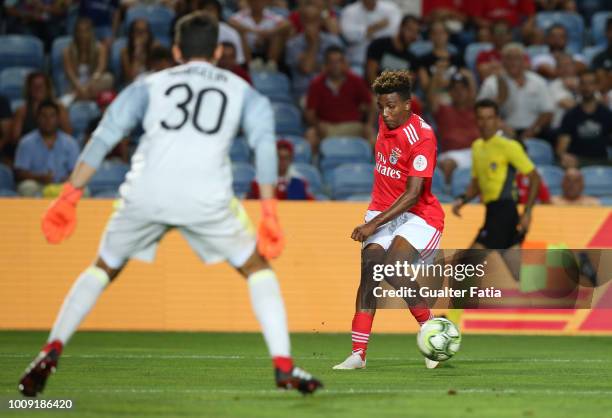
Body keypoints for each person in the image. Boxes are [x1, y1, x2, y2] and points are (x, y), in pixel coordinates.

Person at [18, 13, 322, 397]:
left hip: (146, 189)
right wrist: (268, 211)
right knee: (257, 269)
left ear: (177, 51)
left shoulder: (150, 83)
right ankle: (282, 364)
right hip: (206, 196)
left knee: (103, 267)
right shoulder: (244, 91)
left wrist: (70, 194)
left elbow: (104, 135)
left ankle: (51, 349)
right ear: (217, 51)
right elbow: (264, 146)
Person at [332, 70, 445, 371]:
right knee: (370, 272)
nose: (385, 113)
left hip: (419, 215)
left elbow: (412, 194)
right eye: (381, 106)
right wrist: (375, 219)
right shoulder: (385, 120)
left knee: (392, 268)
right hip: (382, 210)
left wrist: (371, 225)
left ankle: (429, 327)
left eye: (392, 106)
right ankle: (358, 354)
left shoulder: (422, 137)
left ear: (409, 104)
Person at [452, 99, 541, 250]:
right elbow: (477, 183)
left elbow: (535, 177)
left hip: (504, 209)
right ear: (476, 120)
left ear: (498, 120)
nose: (485, 123)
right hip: (492, 210)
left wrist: (527, 211)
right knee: (510, 266)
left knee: (467, 264)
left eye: (490, 118)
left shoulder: (508, 146)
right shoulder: (477, 147)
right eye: (481, 118)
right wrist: (463, 199)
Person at [477, 43, 554, 141]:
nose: (513, 62)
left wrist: (532, 131)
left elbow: (548, 111)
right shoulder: (491, 82)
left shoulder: (538, 81)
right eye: (509, 58)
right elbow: (481, 110)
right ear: (502, 61)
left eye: (517, 58)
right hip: (503, 131)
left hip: (534, 130)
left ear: (524, 61)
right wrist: (500, 125)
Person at [305, 46, 375, 150]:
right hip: (328, 128)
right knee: (310, 135)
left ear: (344, 63)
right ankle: (314, 165)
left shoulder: (355, 80)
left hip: (353, 126)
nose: (335, 66)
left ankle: (375, 166)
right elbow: (310, 113)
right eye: (332, 62)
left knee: (374, 137)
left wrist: (368, 124)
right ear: (326, 65)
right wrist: (318, 125)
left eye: (339, 61)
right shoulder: (316, 84)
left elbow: (371, 104)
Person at [14, 100, 80, 197]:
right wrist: (39, 177)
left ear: (58, 119)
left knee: (82, 189)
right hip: (37, 185)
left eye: (52, 116)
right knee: (27, 187)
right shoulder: (26, 142)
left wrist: (67, 179)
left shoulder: (70, 143)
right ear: (37, 118)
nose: (48, 120)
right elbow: (19, 173)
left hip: (63, 186)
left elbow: (76, 171)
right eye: (44, 116)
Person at [285, 2, 343, 99]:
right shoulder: (292, 45)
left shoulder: (333, 41)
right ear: (302, 21)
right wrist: (313, 44)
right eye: (308, 21)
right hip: (305, 93)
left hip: (331, 92)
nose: (311, 25)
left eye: (314, 21)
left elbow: (341, 70)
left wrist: (319, 66)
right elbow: (306, 68)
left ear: (320, 22)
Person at [429, 71, 479, 185]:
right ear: (450, 93)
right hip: (452, 154)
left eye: (462, 88)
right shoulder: (443, 110)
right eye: (455, 89)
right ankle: (448, 198)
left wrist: (468, 76)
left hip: (476, 151)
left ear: (468, 91)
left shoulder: (476, 110)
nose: (459, 92)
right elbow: (431, 99)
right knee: (448, 164)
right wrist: (437, 75)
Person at [556, 71, 612, 168]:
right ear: (579, 87)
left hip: (602, 161)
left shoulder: (606, 114)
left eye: (590, 83)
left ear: (596, 86)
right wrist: (564, 156)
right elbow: (561, 147)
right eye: (583, 83)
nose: (586, 88)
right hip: (578, 162)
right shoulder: (570, 115)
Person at [11, 72, 72, 147]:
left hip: (56, 148)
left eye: (41, 86)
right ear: (29, 88)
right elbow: (15, 138)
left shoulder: (59, 108)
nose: (38, 89)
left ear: (47, 88)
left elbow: (68, 133)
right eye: (34, 86)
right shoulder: (21, 111)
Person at [340, 0, 402, 70]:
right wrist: (375, 27)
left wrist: (367, 33)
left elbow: (395, 32)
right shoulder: (349, 11)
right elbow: (348, 35)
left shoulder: (391, 9)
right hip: (358, 61)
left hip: (385, 62)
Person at [63, 17, 114, 102]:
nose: (82, 35)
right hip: (75, 83)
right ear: (75, 33)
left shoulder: (100, 48)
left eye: (86, 31)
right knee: (66, 83)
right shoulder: (67, 51)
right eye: (80, 31)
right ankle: (85, 96)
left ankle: (77, 97)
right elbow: (70, 74)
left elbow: (99, 70)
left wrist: (88, 86)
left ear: (91, 32)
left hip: (94, 83)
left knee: (108, 78)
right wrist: (80, 87)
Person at [229, 0, 290, 70]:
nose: (258, 4)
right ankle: (250, 65)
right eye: (255, 1)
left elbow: (287, 24)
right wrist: (253, 31)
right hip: (247, 49)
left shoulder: (270, 15)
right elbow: (231, 22)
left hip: (265, 48)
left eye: (261, 1)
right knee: (241, 33)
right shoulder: (243, 14)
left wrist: (268, 33)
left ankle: (271, 63)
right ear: (249, 2)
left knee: (278, 35)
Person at [248, 139, 314, 200]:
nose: (282, 161)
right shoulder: (260, 181)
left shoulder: (299, 182)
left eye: (286, 158)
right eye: (279, 157)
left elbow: (310, 204)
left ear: (291, 159)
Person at [365, 14, 420, 85]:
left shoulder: (413, 58)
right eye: (410, 30)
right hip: (375, 90)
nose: (413, 35)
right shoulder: (379, 45)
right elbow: (370, 75)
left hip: (398, 94)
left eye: (416, 32)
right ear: (401, 27)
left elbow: (408, 84)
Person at [417, 19, 465, 93]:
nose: (439, 36)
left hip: (454, 96)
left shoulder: (457, 58)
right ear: (430, 36)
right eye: (435, 33)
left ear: (448, 35)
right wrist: (437, 74)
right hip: (433, 97)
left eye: (442, 33)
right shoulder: (423, 60)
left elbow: (464, 82)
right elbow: (425, 88)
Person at [121, 19, 161, 83]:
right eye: (138, 31)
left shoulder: (156, 47)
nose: (141, 35)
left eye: (144, 31)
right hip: (134, 85)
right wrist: (137, 51)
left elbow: (159, 72)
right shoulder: (125, 52)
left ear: (149, 33)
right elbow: (130, 78)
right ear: (132, 33)